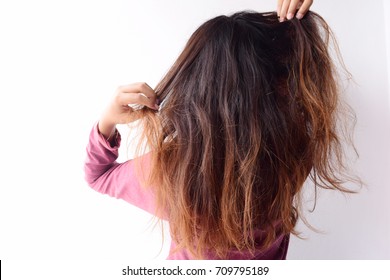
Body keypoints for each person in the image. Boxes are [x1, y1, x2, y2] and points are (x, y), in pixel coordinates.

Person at [84, 0, 356, 259]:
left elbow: (97, 177)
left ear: (193, 89)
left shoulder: (167, 173)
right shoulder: (295, 153)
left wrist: (107, 122)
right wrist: (298, 26)